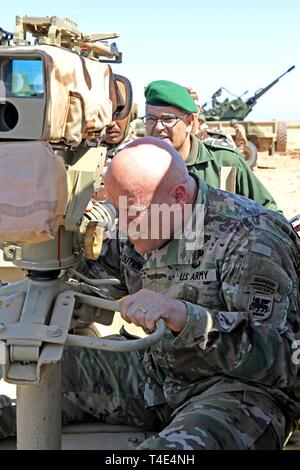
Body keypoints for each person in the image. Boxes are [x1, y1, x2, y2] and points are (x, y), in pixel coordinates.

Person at [1, 137, 299, 450]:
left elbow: (285, 360)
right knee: (42, 377)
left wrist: (184, 318)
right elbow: (84, 274)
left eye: (132, 213)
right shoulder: (144, 220)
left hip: (238, 394)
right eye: (117, 209)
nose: (124, 226)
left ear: (179, 196)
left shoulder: (252, 238)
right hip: (157, 374)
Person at [143, 80, 281, 212]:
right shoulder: (137, 166)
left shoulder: (225, 162)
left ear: (190, 122)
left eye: (168, 119)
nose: (158, 127)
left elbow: (269, 212)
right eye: (150, 119)